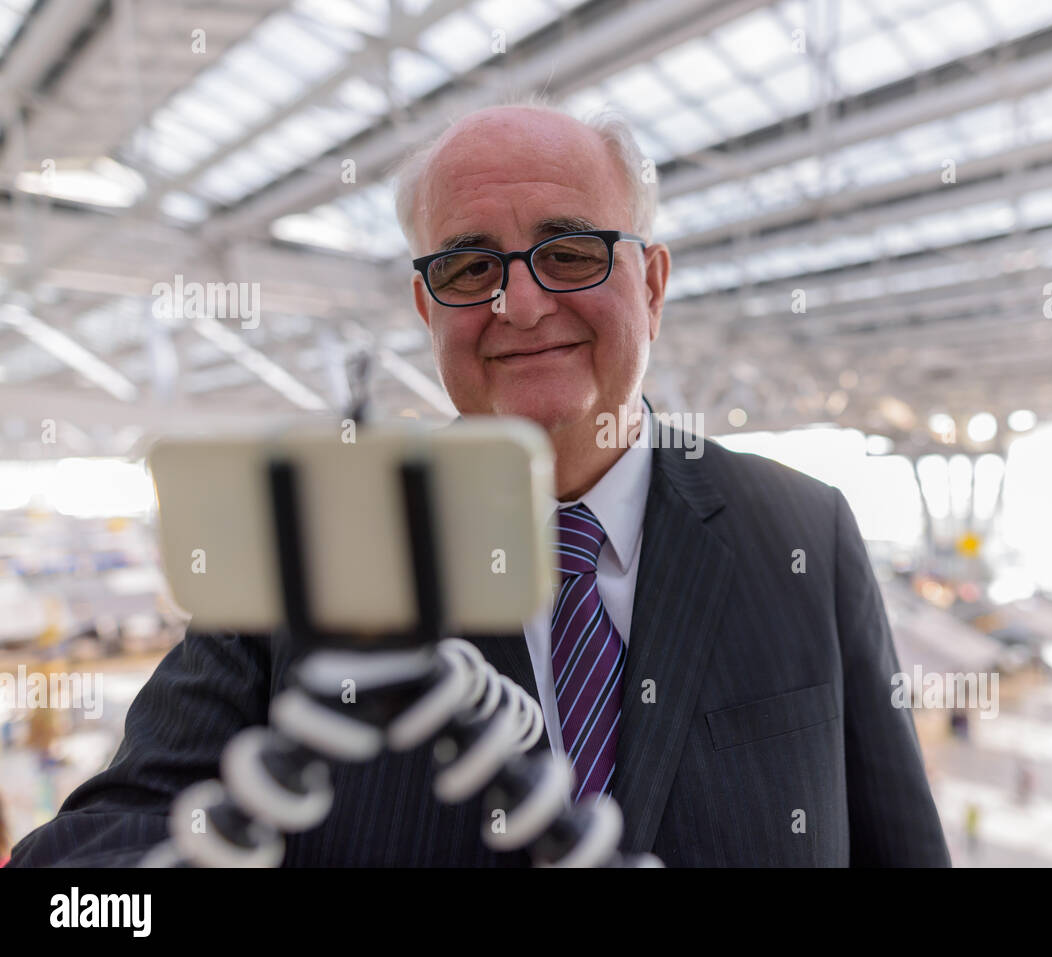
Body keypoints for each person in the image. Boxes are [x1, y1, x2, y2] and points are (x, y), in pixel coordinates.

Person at [9, 100, 949, 867]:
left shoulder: (802, 534)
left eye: (570, 250)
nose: (523, 303)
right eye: (469, 265)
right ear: (427, 305)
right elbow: (100, 851)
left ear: (652, 283)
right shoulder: (319, 543)